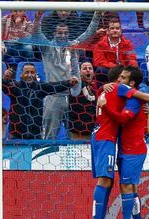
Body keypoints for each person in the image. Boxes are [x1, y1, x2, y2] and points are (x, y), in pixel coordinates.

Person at [88, 66, 149, 219]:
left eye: (123, 78)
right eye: (120, 77)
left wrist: (146, 103)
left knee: (125, 185)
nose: (120, 81)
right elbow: (146, 97)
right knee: (113, 182)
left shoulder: (113, 90)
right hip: (108, 139)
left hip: (122, 144)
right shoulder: (118, 88)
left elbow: (144, 99)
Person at [32, 8, 101, 139]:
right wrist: (37, 19)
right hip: (54, 97)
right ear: (54, 34)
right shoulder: (47, 48)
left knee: (75, 136)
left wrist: (97, 14)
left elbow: (88, 33)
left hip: (73, 97)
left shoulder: (73, 47)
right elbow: (36, 33)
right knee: (49, 136)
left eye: (65, 33)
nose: (63, 35)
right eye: (60, 33)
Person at [2, 63, 78, 139]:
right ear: (21, 74)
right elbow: (4, 87)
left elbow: (54, 86)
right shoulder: (15, 87)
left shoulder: (40, 87)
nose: (29, 75)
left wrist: (68, 83)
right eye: (26, 72)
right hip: (16, 136)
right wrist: (5, 79)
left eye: (32, 72)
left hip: (35, 135)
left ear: (36, 74)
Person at [93, 18, 138, 84]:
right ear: (107, 31)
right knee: (100, 70)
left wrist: (131, 68)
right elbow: (99, 62)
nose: (115, 30)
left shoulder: (128, 44)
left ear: (121, 30)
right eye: (112, 28)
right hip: (108, 70)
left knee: (136, 71)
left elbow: (132, 58)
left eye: (117, 28)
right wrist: (117, 68)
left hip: (124, 71)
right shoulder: (100, 44)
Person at [68, 62, 99, 139]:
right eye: (84, 68)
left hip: (92, 130)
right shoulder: (77, 85)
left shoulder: (95, 86)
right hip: (78, 130)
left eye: (90, 68)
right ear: (79, 72)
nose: (88, 70)